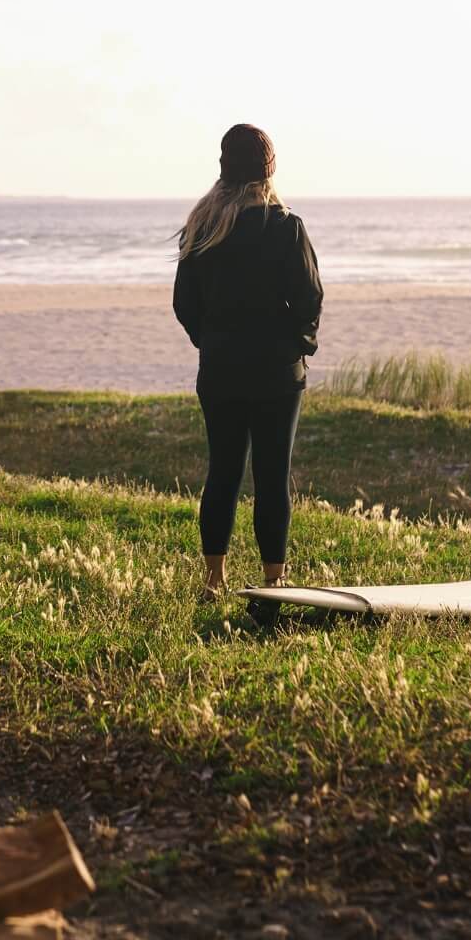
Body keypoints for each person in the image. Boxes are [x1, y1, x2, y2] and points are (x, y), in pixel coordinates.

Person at [173, 124, 323, 612]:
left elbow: (184, 303)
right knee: (272, 476)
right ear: (269, 169)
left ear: (223, 169)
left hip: (220, 370)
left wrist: (211, 341)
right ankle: (273, 586)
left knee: (223, 472)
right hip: (278, 373)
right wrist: (297, 346)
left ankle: (213, 583)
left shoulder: (203, 227)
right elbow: (309, 298)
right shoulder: (285, 225)